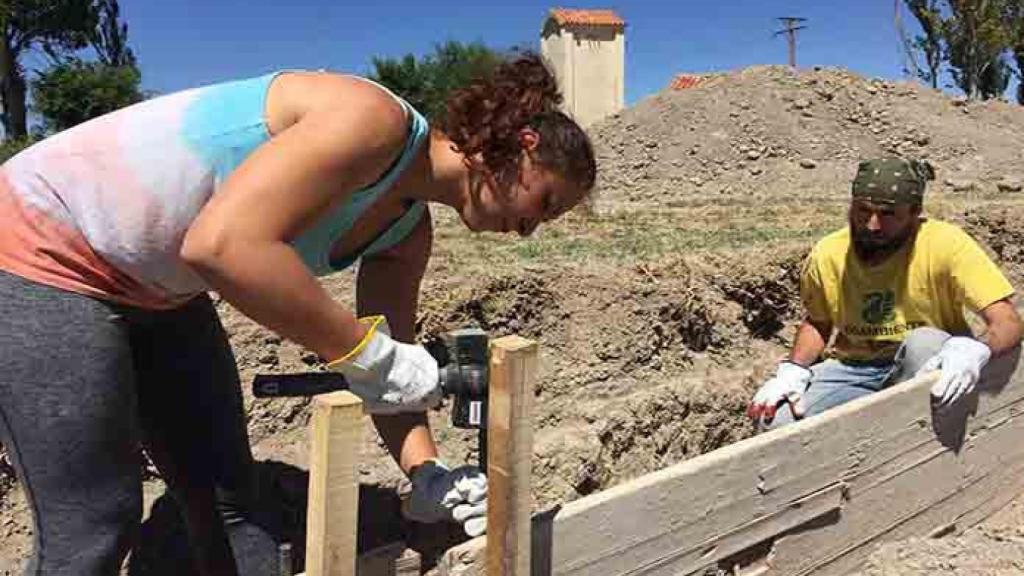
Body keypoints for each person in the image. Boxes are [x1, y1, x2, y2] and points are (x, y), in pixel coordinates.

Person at [0, 52, 596, 575]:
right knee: (94, 522)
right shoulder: (374, 122)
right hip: (41, 245)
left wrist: (428, 475)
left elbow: (389, 375)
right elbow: (222, 246)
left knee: (236, 501)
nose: (527, 231)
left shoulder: (405, 237)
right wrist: (370, 355)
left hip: (159, 289)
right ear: (525, 146)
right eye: (543, 203)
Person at [747, 157, 1021, 430]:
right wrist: (794, 369)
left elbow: (1007, 320)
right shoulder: (829, 253)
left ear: (915, 212)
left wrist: (977, 350)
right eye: (863, 211)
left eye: (888, 214)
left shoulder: (946, 244)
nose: (872, 225)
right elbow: (818, 322)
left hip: (927, 364)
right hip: (855, 369)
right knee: (773, 420)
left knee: (923, 342)